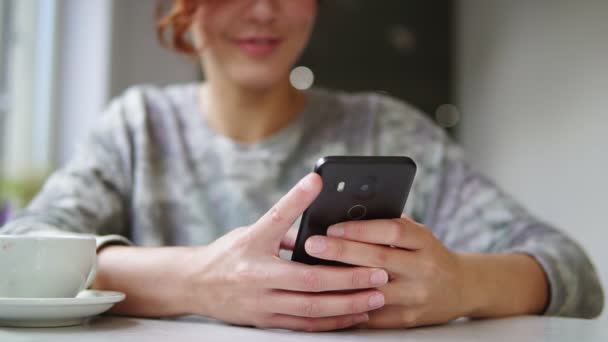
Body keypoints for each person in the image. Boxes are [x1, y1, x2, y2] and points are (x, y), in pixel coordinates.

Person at [1, 0, 603, 331]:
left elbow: (573, 274)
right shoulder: (137, 128)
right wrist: (197, 281)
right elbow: (21, 252)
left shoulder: (387, 127)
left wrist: (460, 284)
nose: (264, 10)